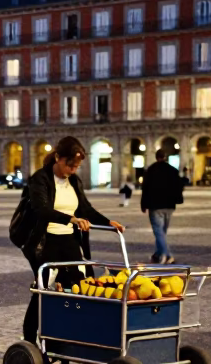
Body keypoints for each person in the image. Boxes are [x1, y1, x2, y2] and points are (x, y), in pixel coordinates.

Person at [19, 137, 124, 344]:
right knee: (45, 288)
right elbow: (42, 209)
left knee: (79, 286)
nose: (73, 170)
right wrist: (71, 219)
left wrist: (108, 222)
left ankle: (67, 336)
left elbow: (85, 208)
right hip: (44, 242)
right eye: (70, 165)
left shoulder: (74, 181)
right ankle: (30, 338)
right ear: (58, 157)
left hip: (68, 240)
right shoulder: (40, 178)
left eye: (77, 166)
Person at [141, 148, 185, 264]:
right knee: (162, 231)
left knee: (158, 231)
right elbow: (179, 186)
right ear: (166, 157)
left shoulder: (151, 170)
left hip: (155, 206)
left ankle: (168, 255)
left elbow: (145, 188)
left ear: (156, 157)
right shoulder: (172, 170)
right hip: (169, 206)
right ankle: (158, 254)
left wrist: (143, 204)